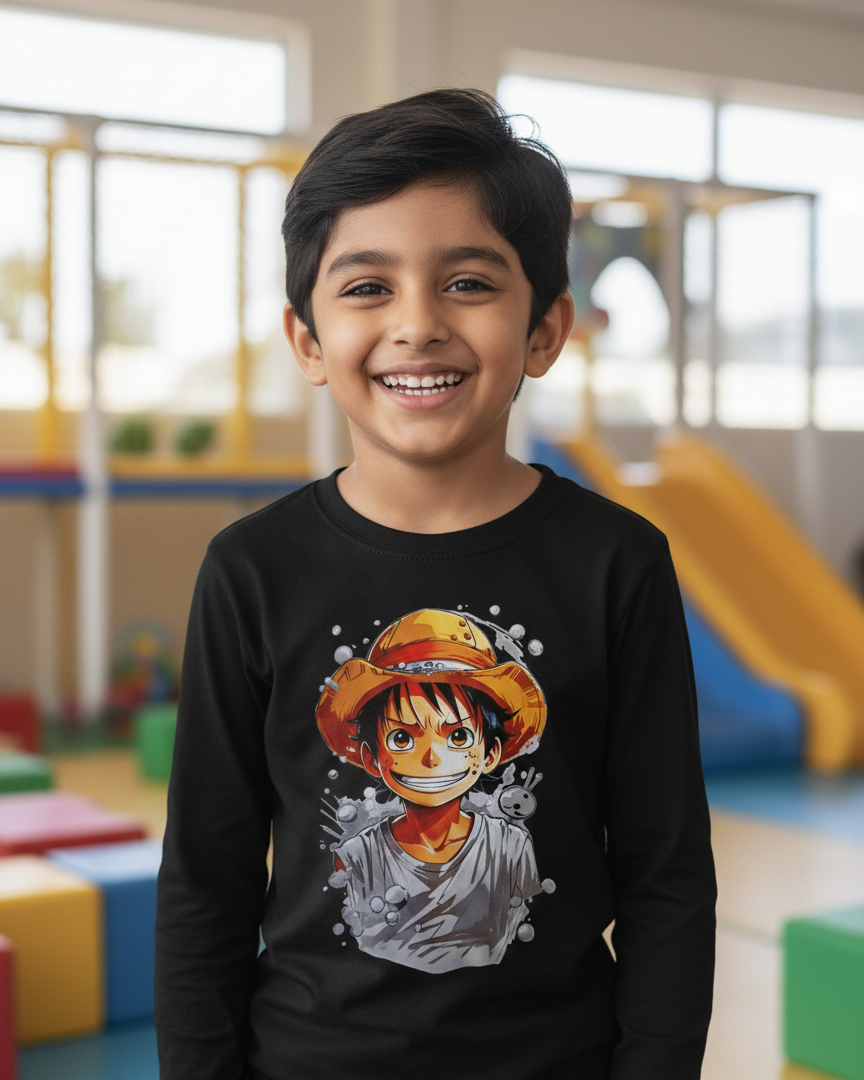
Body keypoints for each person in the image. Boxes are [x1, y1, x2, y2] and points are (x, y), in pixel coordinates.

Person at [155, 89, 716, 1080]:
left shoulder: (617, 563)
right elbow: (206, 882)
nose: (417, 325)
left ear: (545, 330)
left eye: (467, 283)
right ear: (308, 340)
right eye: (369, 287)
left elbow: (666, 879)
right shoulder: (252, 570)